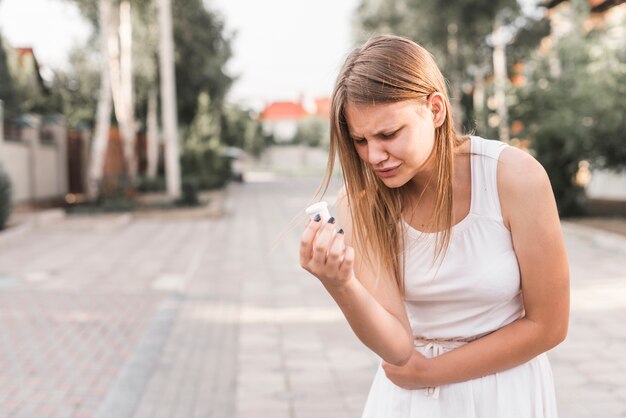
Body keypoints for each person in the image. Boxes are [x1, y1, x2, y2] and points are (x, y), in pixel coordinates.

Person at [299, 34, 569, 417]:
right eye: (359, 140)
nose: (374, 156)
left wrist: (429, 372)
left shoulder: (513, 176)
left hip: (505, 393)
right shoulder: (360, 201)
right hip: (409, 403)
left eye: (388, 134)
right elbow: (396, 347)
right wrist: (340, 284)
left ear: (436, 109)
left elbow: (549, 325)